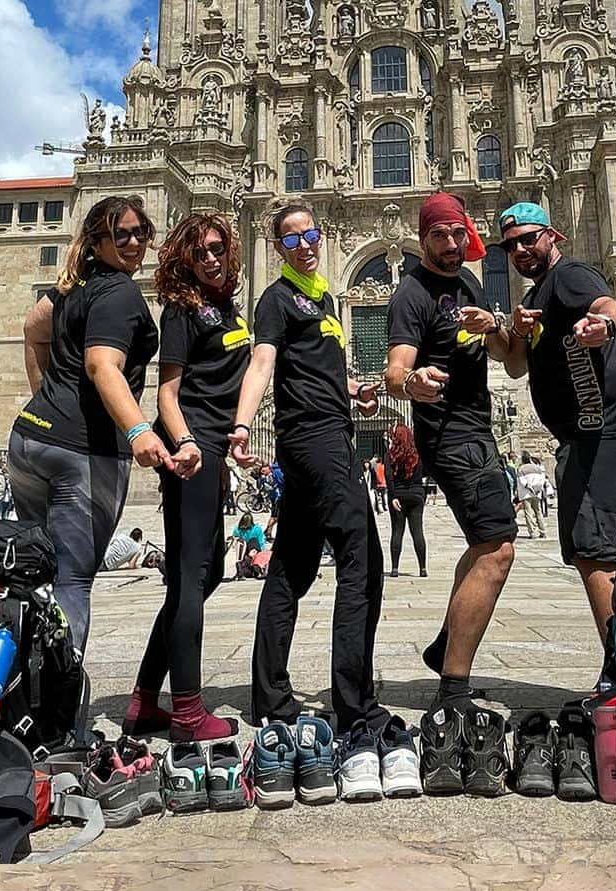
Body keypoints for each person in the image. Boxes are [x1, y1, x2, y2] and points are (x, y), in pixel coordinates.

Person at [229, 203, 389, 734]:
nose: (304, 243)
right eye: (292, 238)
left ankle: (271, 697)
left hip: (325, 432)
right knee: (361, 559)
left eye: (311, 233)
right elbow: (263, 361)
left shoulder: (322, 298)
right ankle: (354, 703)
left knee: (291, 569)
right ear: (277, 247)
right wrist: (244, 423)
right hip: (314, 441)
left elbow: (314, 372)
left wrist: (353, 393)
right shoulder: (276, 299)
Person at [8, 195, 172, 657]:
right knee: (73, 579)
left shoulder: (72, 287)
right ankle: (55, 710)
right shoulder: (121, 293)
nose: (135, 241)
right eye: (122, 234)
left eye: (143, 233)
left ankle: (19, 677)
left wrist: (43, 400)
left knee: (37, 570)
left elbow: (31, 328)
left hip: (29, 441)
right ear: (96, 241)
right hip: (83, 449)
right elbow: (103, 365)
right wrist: (138, 429)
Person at [386, 191, 516, 710]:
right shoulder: (411, 294)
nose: (449, 243)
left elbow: (511, 362)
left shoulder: (469, 283)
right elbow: (396, 368)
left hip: (478, 427)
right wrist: (410, 382)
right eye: (438, 235)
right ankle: (453, 688)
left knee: (489, 544)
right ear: (423, 239)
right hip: (448, 434)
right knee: (498, 548)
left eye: (457, 233)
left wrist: (498, 327)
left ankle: (446, 646)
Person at [500, 201, 616, 644]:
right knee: (586, 550)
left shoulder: (570, 276)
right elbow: (513, 368)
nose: (521, 250)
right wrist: (514, 331)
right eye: (511, 245)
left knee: (593, 547)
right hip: (580, 434)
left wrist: (603, 323)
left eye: (530, 238)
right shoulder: (534, 296)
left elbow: (608, 304)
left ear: (553, 236)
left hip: (606, 428)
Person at [125, 212, 249, 741]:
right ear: (184, 259)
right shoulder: (182, 309)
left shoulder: (226, 306)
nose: (212, 259)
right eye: (200, 252)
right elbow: (167, 394)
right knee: (190, 578)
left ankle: (144, 701)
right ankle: (188, 712)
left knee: (203, 576)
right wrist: (190, 443)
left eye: (218, 248)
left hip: (212, 453)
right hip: (190, 450)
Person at [385, 422, 428, 578]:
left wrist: (393, 496)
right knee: (418, 532)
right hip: (416, 495)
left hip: (399, 495)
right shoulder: (417, 454)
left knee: (397, 531)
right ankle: (423, 568)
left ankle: (395, 568)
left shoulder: (391, 454)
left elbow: (389, 476)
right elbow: (425, 472)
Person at [516, 450, 547, 539]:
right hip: (537, 492)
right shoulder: (537, 468)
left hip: (526, 493)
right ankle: (543, 531)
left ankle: (532, 532)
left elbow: (523, 482)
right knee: (538, 511)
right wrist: (537, 489)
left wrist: (530, 488)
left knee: (528, 513)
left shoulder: (521, 468)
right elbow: (542, 479)